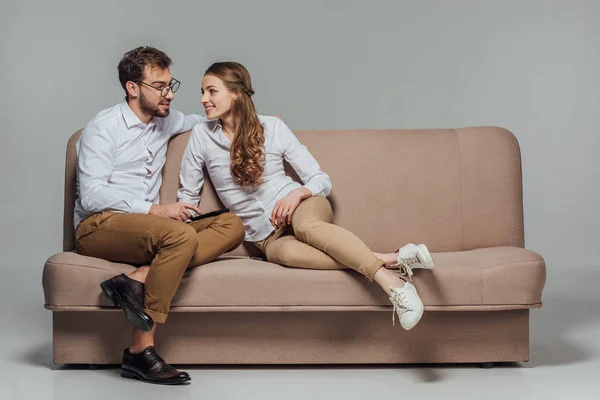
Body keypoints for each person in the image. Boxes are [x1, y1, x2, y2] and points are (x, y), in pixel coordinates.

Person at [178, 61, 435, 332]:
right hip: (265, 238)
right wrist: (180, 232)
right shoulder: (201, 136)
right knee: (285, 254)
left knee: (306, 226)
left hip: (303, 207)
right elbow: (187, 196)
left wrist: (297, 194)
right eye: (203, 92)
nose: (203, 99)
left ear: (236, 94)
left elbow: (320, 179)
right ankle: (393, 258)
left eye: (211, 91)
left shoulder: (272, 128)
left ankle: (393, 284)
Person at [75, 48, 245, 385]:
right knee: (179, 235)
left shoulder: (166, 119)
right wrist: (153, 209)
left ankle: (137, 278)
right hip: (99, 226)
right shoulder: (103, 127)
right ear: (133, 88)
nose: (170, 93)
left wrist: (263, 121)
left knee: (232, 224)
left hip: (149, 231)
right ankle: (140, 350)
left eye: (171, 84)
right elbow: (92, 195)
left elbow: (207, 119)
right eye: (160, 86)